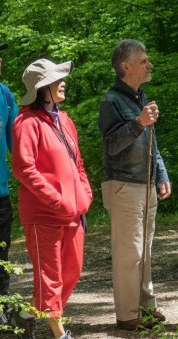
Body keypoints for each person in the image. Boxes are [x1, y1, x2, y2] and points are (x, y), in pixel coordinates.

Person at [12, 59, 93, 339]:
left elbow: (78, 163)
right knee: (51, 276)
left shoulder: (65, 120)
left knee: (72, 271)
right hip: (43, 215)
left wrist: (84, 194)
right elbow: (24, 169)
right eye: (57, 79)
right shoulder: (26, 122)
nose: (63, 83)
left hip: (73, 212)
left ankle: (27, 315)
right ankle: (59, 334)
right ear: (42, 88)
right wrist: (57, 201)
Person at [98, 39, 171, 331]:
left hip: (146, 183)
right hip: (123, 184)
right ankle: (127, 315)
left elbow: (152, 142)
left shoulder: (140, 97)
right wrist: (138, 123)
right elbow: (112, 145)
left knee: (146, 250)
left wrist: (162, 174)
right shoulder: (111, 101)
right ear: (125, 66)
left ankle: (146, 307)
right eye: (144, 60)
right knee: (130, 253)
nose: (149, 64)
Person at [0, 41, 18, 323]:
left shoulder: (5, 95)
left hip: (0, 194)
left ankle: (2, 308)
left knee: (2, 256)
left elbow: (19, 144)